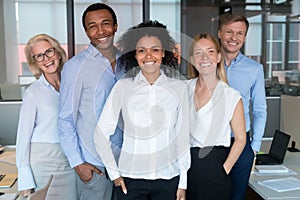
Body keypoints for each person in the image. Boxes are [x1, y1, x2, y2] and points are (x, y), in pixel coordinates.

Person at [94, 20, 190, 200]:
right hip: (131, 178)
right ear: (135, 55)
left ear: (163, 53)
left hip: (168, 178)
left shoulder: (179, 88)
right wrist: (114, 174)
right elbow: (100, 134)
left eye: (155, 49)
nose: (148, 56)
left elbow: (182, 136)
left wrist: (182, 182)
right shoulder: (123, 87)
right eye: (141, 50)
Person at [58, 3, 124, 200]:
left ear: (115, 26)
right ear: (86, 31)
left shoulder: (127, 63)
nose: (100, 31)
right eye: (92, 26)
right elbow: (65, 119)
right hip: (95, 165)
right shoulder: (75, 68)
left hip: (125, 164)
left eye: (106, 23)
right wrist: (78, 163)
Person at [16, 33, 76, 199]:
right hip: (44, 161)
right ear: (35, 62)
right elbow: (22, 138)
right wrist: (25, 182)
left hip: (69, 160)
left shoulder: (71, 85)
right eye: (39, 56)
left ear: (57, 52)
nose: (46, 59)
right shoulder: (33, 93)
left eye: (49, 52)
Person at [186, 33, 246, 200]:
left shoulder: (230, 95)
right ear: (191, 59)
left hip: (214, 166)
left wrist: (224, 169)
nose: (205, 57)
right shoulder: (182, 89)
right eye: (198, 52)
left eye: (210, 51)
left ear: (219, 57)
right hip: (183, 165)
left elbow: (241, 138)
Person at [218, 13, 267, 200]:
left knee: (237, 196)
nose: (234, 38)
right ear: (220, 33)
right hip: (212, 143)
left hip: (242, 142)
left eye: (240, 33)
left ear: (245, 37)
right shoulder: (207, 65)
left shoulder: (254, 69)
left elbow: (260, 110)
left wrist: (254, 147)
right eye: (229, 32)